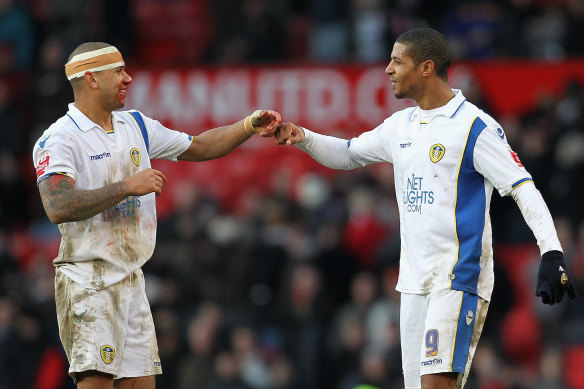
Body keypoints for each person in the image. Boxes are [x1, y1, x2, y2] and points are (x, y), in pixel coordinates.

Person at [274, 28, 576, 389]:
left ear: (427, 68)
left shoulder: (474, 128)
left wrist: (551, 250)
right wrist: (302, 137)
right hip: (414, 284)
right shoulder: (401, 126)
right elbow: (349, 154)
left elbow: (522, 187)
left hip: (457, 278)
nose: (387, 69)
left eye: (397, 62)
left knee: (437, 384)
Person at [32, 42, 280, 389]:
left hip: (132, 278)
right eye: (118, 71)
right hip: (89, 281)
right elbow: (56, 205)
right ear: (90, 78)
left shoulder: (135, 124)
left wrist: (248, 125)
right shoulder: (59, 138)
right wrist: (126, 187)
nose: (128, 78)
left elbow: (200, 146)